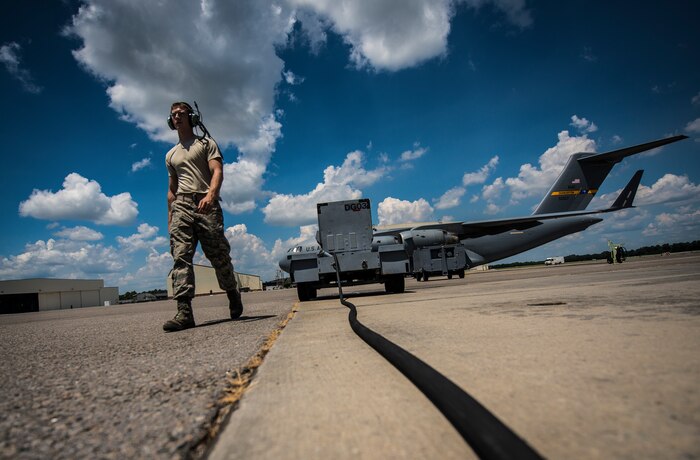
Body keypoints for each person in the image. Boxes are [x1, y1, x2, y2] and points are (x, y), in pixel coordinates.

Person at [163, 101, 243, 332]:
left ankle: (232, 293)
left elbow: (217, 171)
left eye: (181, 113)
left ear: (192, 116)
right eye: (173, 114)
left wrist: (211, 195)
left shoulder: (206, 143)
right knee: (181, 257)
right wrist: (171, 215)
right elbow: (171, 188)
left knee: (218, 255)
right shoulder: (170, 155)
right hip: (182, 205)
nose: (177, 117)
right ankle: (184, 312)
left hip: (206, 203)